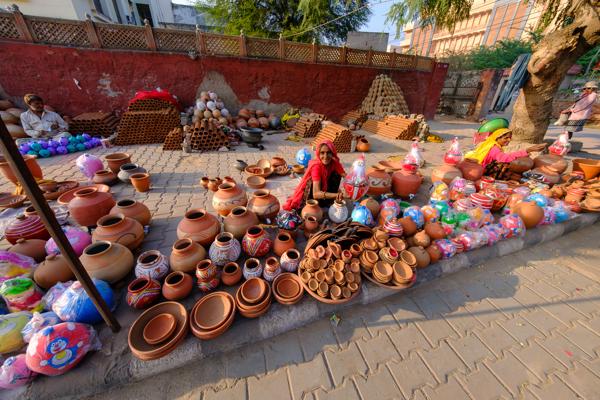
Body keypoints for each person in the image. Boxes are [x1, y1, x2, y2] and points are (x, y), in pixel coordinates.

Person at [283, 140, 346, 211]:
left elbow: (345, 176)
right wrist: (336, 195)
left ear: (332, 153)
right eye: (322, 153)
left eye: (328, 153)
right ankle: (321, 204)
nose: (325, 156)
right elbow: (316, 193)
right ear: (318, 154)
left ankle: (328, 201)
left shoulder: (334, 163)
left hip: (323, 189)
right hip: (312, 195)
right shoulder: (316, 166)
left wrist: (354, 185)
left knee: (337, 174)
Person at [465, 128, 546, 180]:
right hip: (481, 170)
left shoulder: (490, 144)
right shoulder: (494, 148)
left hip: (480, 168)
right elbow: (504, 158)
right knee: (505, 166)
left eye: (510, 137)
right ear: (497, 138)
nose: (509, 140)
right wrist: (528, 150)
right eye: (506, 138)